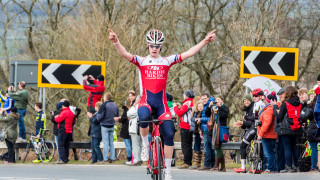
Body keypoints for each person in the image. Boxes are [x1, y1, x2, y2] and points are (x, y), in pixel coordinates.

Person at [108, 28, 216, 179]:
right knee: (144, 116)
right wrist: (116, 42)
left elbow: (189, 53)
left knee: (170, 134)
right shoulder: (142, 61)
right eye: (151, 45)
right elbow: (125, 54)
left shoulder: (166, 61)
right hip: (146, 101)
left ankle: (167, 171)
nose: (154, 48)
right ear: (147, 45)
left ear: (161, 47)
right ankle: (146, 144)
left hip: (161, 104)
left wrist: (204, 41)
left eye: (157, 46)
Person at [272, 86, 303, 173]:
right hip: (296, 128)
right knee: (294, 147)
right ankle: (296, 166)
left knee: (287, 148)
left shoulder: (285, 103)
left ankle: (288, 166)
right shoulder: (299, 103)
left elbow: (280, 117)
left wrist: (275, 108)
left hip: (286, 128)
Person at [233, 88, 265, 173]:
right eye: (253, 96)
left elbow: (255, 118)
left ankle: (243, 167)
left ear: (260, 96)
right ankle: (258, 168)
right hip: (257, 128)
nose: (254, 97)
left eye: (256, 96)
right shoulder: (260, 104)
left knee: (243, 146)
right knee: (259, 148)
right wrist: (243, 123)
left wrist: (245, 119)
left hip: (254, 128)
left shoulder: (257, 104)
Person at [205, 95, 229, 172]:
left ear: (222, 100)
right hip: (214, 129)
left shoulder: (224, 107)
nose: (217, 100)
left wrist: (218, 108)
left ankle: (216, 166)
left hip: (221, 129)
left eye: (219, 99)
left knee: (218, 147)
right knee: (218, 147)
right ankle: (222, 167)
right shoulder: (214, 108)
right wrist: (209, 106)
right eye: (216, 99)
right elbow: (207, 114)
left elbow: (223, 115)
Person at [257, 92, 278, 173]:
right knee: (272, 152)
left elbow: (267, 123)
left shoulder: (269, 109)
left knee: (268, 153)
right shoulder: (273, 108)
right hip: (273, 135)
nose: (263, 101)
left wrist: (260, 134)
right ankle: (274, 168)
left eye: (264, 100)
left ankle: (270, 168)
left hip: (267, 135)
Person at [173, 90, 194, 169]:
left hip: (185, 126)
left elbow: (179, 113)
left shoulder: (187, 103)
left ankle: (187, 162)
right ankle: (189, 161)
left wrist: (175, 107)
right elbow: (185, 111)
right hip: (190, 126)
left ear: (186, 96)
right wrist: (180, 107)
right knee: (188, 144)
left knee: (185, 145)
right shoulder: (191, 102)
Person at [97, 92, 119, 163]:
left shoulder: (104, 105)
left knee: (105, 143)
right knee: (111, 143)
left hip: (105, 126)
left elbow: (100, 116)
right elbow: (117, 115)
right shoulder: (115, 105)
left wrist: (99, 119)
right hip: (112, 125)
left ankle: (106, 158)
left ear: (106, 98)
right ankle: (112, 157)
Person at [198, 93, 215, 171]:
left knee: (207, 147)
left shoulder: (209, 106)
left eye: (205, 98)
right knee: (210, 147)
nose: (203, 100)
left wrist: (200, 119)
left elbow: (209, 119)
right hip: (205, 128)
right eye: (202, 99)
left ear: (208, 98)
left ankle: (207, 164)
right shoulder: (205, 106)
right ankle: (212, 164)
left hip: (207, 128)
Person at [118, 93, 135, 165]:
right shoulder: (132, 110)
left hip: (126, 129)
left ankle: (129, 158)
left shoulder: (126, 111)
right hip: (132, 128)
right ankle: (133, 158)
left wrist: (119, 119)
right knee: (132, 145)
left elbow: (122, 120)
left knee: (128, 145)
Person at [128, 95, 143, 166]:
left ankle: (137, 159)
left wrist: (134, 106)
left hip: (135, 128)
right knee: (140, 144)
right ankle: (140, 159)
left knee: (136, 145)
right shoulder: (144, 106)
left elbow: (129, 114)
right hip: (140, 128)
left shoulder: (136, 107)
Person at [273, 88, 286, 172]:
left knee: (281, 150)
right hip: (281, 129)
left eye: (282, 94)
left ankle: (282, 167)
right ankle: (281, 167)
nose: (280, 96)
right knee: (281, 150)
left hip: (283, 129)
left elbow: (279, 116)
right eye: (279, 95)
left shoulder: (284, 104)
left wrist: (274, 106)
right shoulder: (282, 104)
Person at [189, 102, 203, 169]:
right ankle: (197, 163)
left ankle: (197, 163)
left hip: (201, 132)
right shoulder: (196, 113)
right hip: (196, 132)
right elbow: (193, 120)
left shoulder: (203, 113)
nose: (200, 107)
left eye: (201, 106)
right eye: (199, 106)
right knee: (195, 146)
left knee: (197, 146)